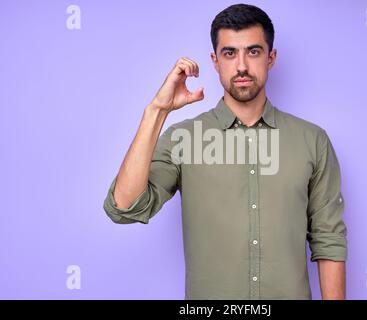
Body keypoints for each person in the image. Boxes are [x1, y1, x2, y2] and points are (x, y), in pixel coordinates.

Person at [103, 3, 347, 300]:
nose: (242, 66)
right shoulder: (184, 139)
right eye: (230, 53)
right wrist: (157, 111)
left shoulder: (313, 140)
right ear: (215, 60)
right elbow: (125, 208)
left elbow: (329, 240)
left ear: (271, 58)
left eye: (253, 52)